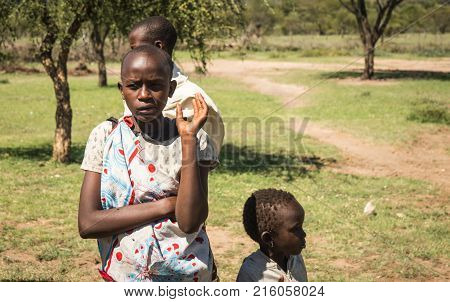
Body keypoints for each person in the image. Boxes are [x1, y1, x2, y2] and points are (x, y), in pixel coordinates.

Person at [78, 45, 218, 282]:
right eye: (134, 86)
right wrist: (165, 206)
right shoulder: (106, 136)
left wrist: (187, 141)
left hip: (189, 276)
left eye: (155, 85)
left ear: (171, 89)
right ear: (122, 90)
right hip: (127, 277)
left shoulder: (195, 138)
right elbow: (88, 223)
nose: (144, 94)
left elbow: (190, 221)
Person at [125, 16, 224, 155]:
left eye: (135, 48)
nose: (144, 95)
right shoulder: (134, 88)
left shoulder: (191, 98)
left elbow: (204, 154)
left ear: (158, 46)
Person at [236, 189, 308, 282]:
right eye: (295, 229)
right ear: (268, 238)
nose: (303, 234)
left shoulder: (295, 259)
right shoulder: (251, 272)